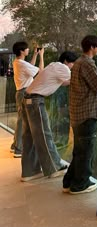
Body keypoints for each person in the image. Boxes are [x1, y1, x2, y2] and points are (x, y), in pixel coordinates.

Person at [21, 51, 77, 181]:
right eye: (73, 64)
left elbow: (63, 82)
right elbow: (74, 79)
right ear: (68, 62)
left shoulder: (53, 65)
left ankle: (29, 172)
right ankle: (54, 168)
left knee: (29, 137)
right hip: (35, 101)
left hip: (27, 99)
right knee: (44, 134)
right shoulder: (63, 68)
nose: (73, 67)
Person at [63, 35, 97, 194]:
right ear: (93, 47)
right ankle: (80, 184)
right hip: (86, 113)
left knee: (79, 151)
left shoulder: (79, 62)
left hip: (77, 113)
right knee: (86, 151)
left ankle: (68, 181)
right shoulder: (87, 63)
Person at [11, 41, 44, 157]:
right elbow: (40, 71)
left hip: (20, 92)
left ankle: (15, 145)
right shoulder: (21, 64)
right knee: (23, 120)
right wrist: (41, 56)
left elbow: (30, 69)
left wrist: (35, 55)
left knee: (21, 119)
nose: (28, 50)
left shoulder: (17, 62)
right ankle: (19, 149)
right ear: (21, 51)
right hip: (24, 92)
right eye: (27, 49)